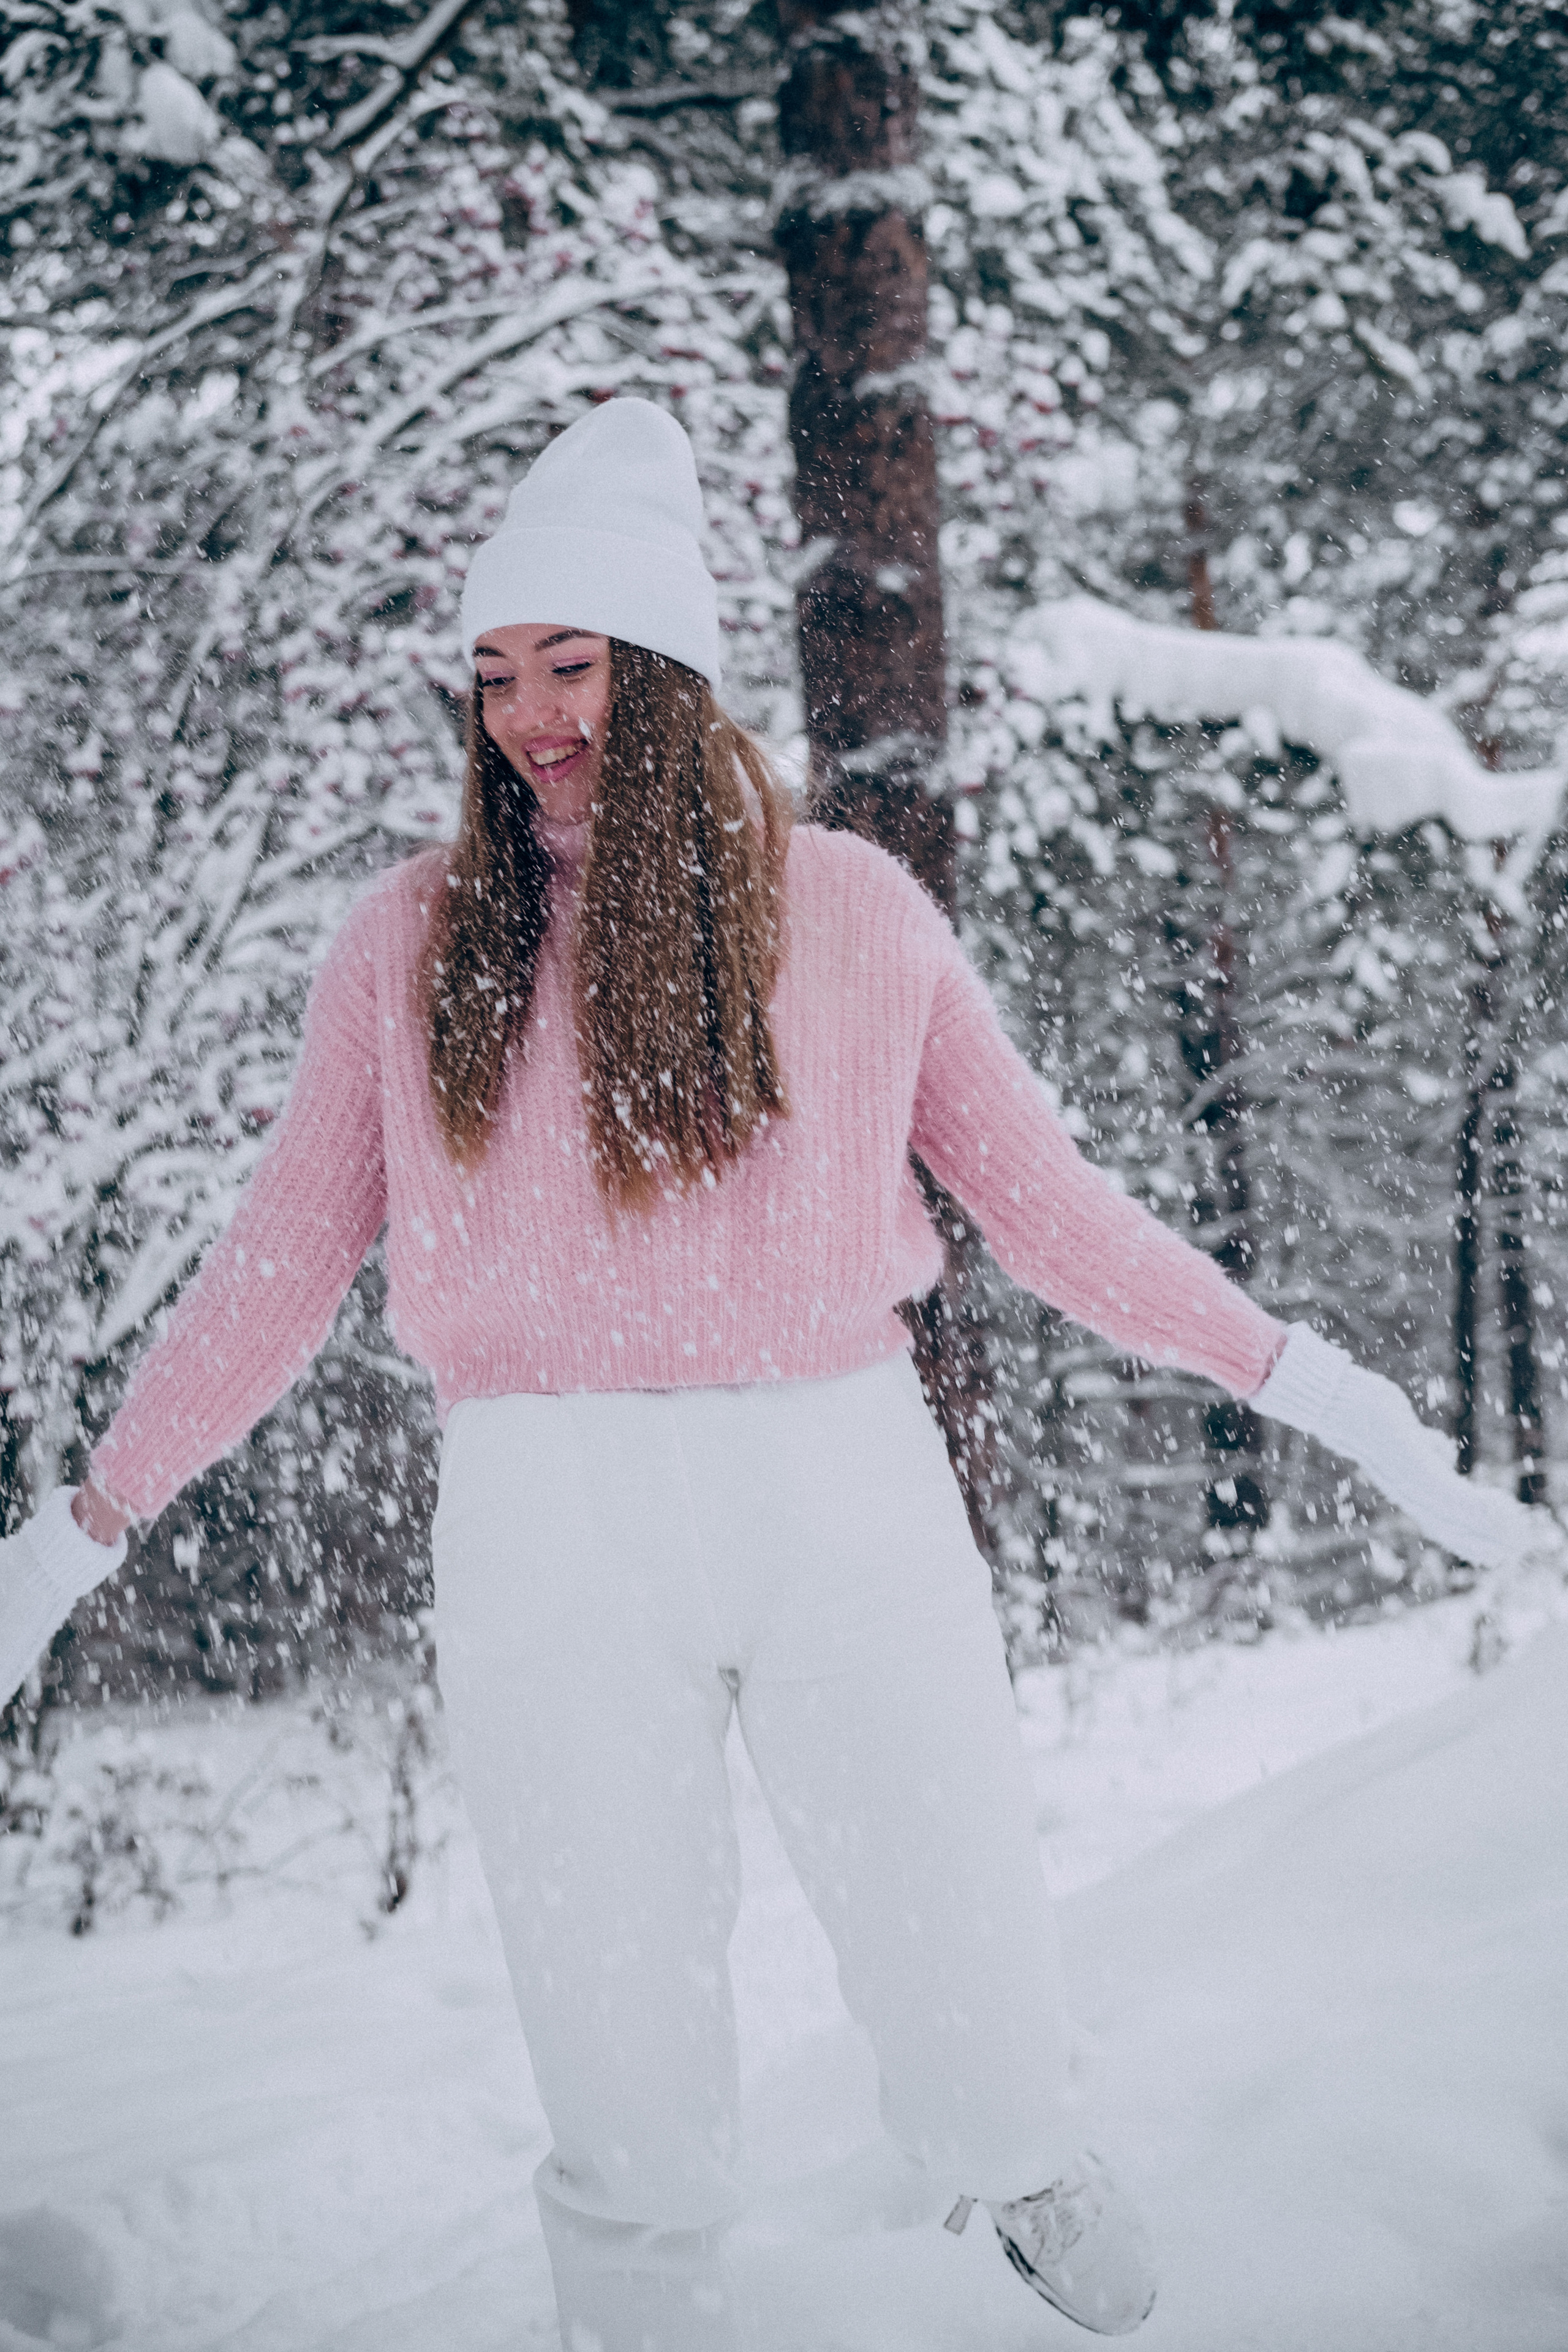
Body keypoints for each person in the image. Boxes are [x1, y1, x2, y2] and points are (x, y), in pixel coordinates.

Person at [1, 399, 1555, 2351]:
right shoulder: (405, 948)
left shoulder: (848, 915)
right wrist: (81, 1530)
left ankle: (1023, 2156)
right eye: (495, 672)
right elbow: (273, 1274)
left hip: (838, 1485)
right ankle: (641, 2316)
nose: (528, 714)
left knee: (956, 1911)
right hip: (547, 1522)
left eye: (571, 663)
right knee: (614, 2017)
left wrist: (1316, 1387)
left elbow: (1058, 1218)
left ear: (665, 667)